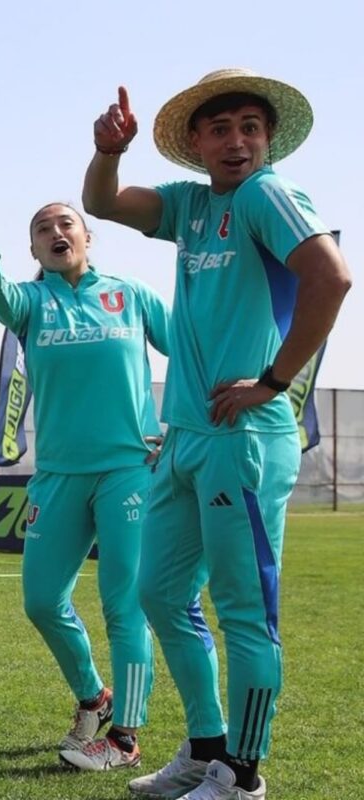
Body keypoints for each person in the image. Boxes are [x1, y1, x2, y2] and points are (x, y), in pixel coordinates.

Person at [82, 71, 352, 799]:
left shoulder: (269, 193)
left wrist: (273, 381)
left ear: (266, 139)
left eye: (251, 127)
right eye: (222, 128)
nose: (238, 141)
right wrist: (110, 151)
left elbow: (332, 277)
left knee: (244, 612)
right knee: (161, 593)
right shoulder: (193, 206)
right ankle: (205, 752)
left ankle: (243, 775)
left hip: (246, 435)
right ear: (196, 143)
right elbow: (102, 203)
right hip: (187, 439)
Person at [0, 196, 169, 771]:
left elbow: (192, 352)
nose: (56, 231)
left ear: (87, 237)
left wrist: (179, 425)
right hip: (57, 477)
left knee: (124, 604)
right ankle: (93, 696)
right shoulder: (30, 302)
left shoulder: (130, 295)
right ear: (32, 249)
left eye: (66, 223)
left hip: (129, 469)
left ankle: (125, 736)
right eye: (42, 229)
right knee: (42, 600)